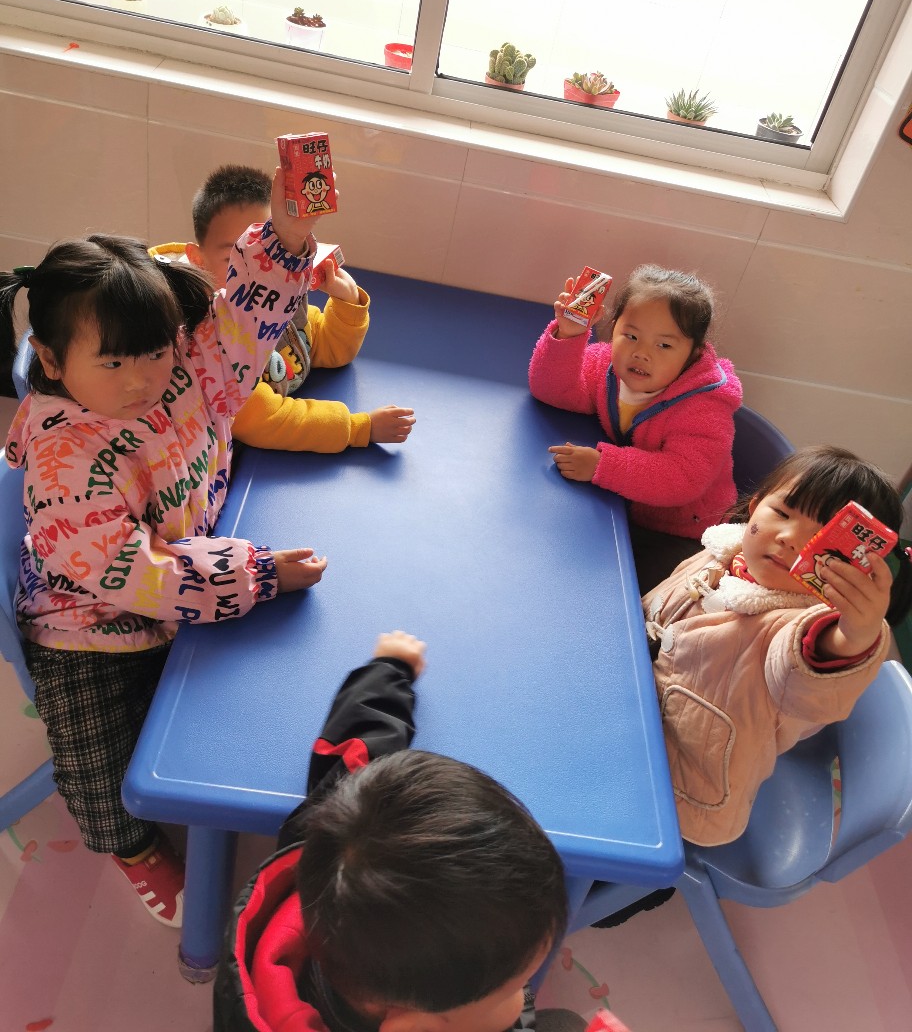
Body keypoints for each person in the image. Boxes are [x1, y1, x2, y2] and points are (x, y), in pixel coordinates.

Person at [0, 168, 329, 929]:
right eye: (113, 363)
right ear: (52, 360)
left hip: (178, 583)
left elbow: (240, 332)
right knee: (97, 776)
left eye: (154, 353)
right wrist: (257, 573)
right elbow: (136, 575)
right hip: (85, 630)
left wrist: (287, 237)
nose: (142, 379)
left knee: (211, 714)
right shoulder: (63, 456)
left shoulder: (179, 372)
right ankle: (133, 846)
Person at [215, 631, 609, 1032]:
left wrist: (390, 668)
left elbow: (360, 750)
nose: (522, 992)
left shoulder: (333, 836)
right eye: (512, 988)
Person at [646, 444, 912, 849]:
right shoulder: (722, 555)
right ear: (756, 506)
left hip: (681, 786)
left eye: (822, 539)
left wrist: (854, 634)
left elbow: (805, 671)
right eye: (783, 513)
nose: (789, 539)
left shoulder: (796, 625)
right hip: (635, 704)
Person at [153, 163, 414, 453]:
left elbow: (326, 349)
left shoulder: (279, 292)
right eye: (233, 259)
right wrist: (358, 427)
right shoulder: (208, 343)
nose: (254, 272)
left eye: (268, 254)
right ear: (197, 259)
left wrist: (347, 302)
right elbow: (269, 421)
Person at [528, 264, 742, 592]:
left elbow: (683, 478)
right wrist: (569, 335)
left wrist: (602, 466)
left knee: (617, 595)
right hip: (623, 510)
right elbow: (553, 391)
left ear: (694, 353)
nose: (641, 353)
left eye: (664, 345)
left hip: (684, 535)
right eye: (631, 336)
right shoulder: (607, 367)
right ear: (613, 327)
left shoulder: (705, 405)